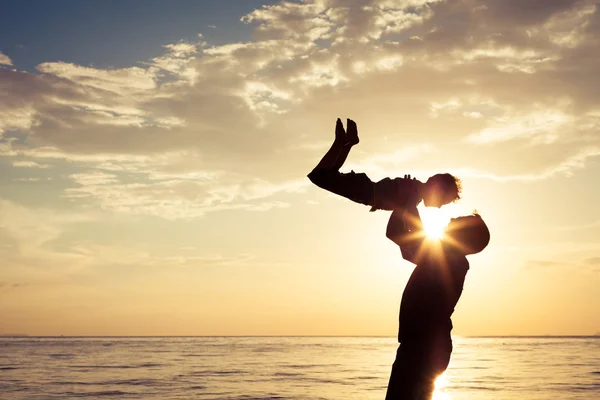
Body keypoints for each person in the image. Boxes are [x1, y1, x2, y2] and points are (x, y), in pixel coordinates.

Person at [384, 180, 490, 399]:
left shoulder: (448, 257)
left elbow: (398, 233)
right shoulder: (447, 256)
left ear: (464, 234)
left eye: (458, 220)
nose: (451, 218)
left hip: (424, 347)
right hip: (425, 345)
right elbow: (403, 239)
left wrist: (408, 201)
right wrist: (408, 203)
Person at [307, 118, 461, 211]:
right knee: (319, 176)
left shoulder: (416, 190)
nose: (439, 206)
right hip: (365, 191)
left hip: (366, 190)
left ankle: (346, 143)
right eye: (442, 201)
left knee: (328, 174)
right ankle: (341, 143)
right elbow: (407, 215)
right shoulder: (416, 194)